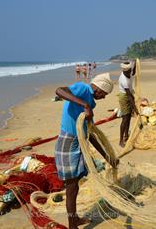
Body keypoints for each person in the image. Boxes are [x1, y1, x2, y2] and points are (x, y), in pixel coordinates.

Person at [54, 73, 119, 229]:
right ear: (98, 88)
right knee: (71, 188)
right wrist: (85, 105)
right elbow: (59, 90)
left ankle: (74, 219)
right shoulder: (83, 89)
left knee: (75, 186)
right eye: (104, 93)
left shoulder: (91, 102)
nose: (103, 98)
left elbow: (90, 134)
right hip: (68, 142)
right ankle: (72, 225)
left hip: (79, 143)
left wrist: (107, 157)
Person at [118, 61, 138, 147]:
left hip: (129, 95)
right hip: (124, 97)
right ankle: (121, 140)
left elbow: (133, 72)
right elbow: (129, 97)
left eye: (130, 69)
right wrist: (135, 109)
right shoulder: (123, 80)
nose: (130, 72)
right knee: (125, 119)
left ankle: (126, 136)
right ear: (125, 71)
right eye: (129, 70)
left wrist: (136, 63)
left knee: (129, 117)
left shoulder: (128, 72)